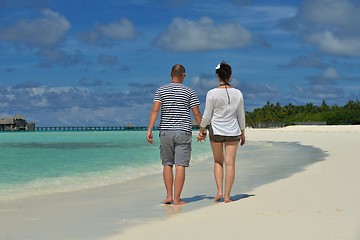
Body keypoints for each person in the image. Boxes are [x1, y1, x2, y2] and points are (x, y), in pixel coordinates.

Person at [146, 64, 202, 205]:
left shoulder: (161, 90)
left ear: (171, 75)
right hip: (183, 131)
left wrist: (150, 129)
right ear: (183, 75)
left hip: (165, 132)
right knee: (180, 166)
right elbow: (196, 113)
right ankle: (177, 199)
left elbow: (155, 111)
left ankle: (169, 196)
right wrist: (202, 128)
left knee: (167, 164)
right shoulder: (189, 92)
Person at [197, 61, 246, 203]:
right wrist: (242, 132)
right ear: (230, 75)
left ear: (217, 75)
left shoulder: (211, 93)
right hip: (233, 131)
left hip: (216, 131)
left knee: (218, 161)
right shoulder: (238, 93)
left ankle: (219, 191)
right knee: (230, 163)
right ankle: (227, 196)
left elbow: (207, 116)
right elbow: (241, 115)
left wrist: (202, 129)